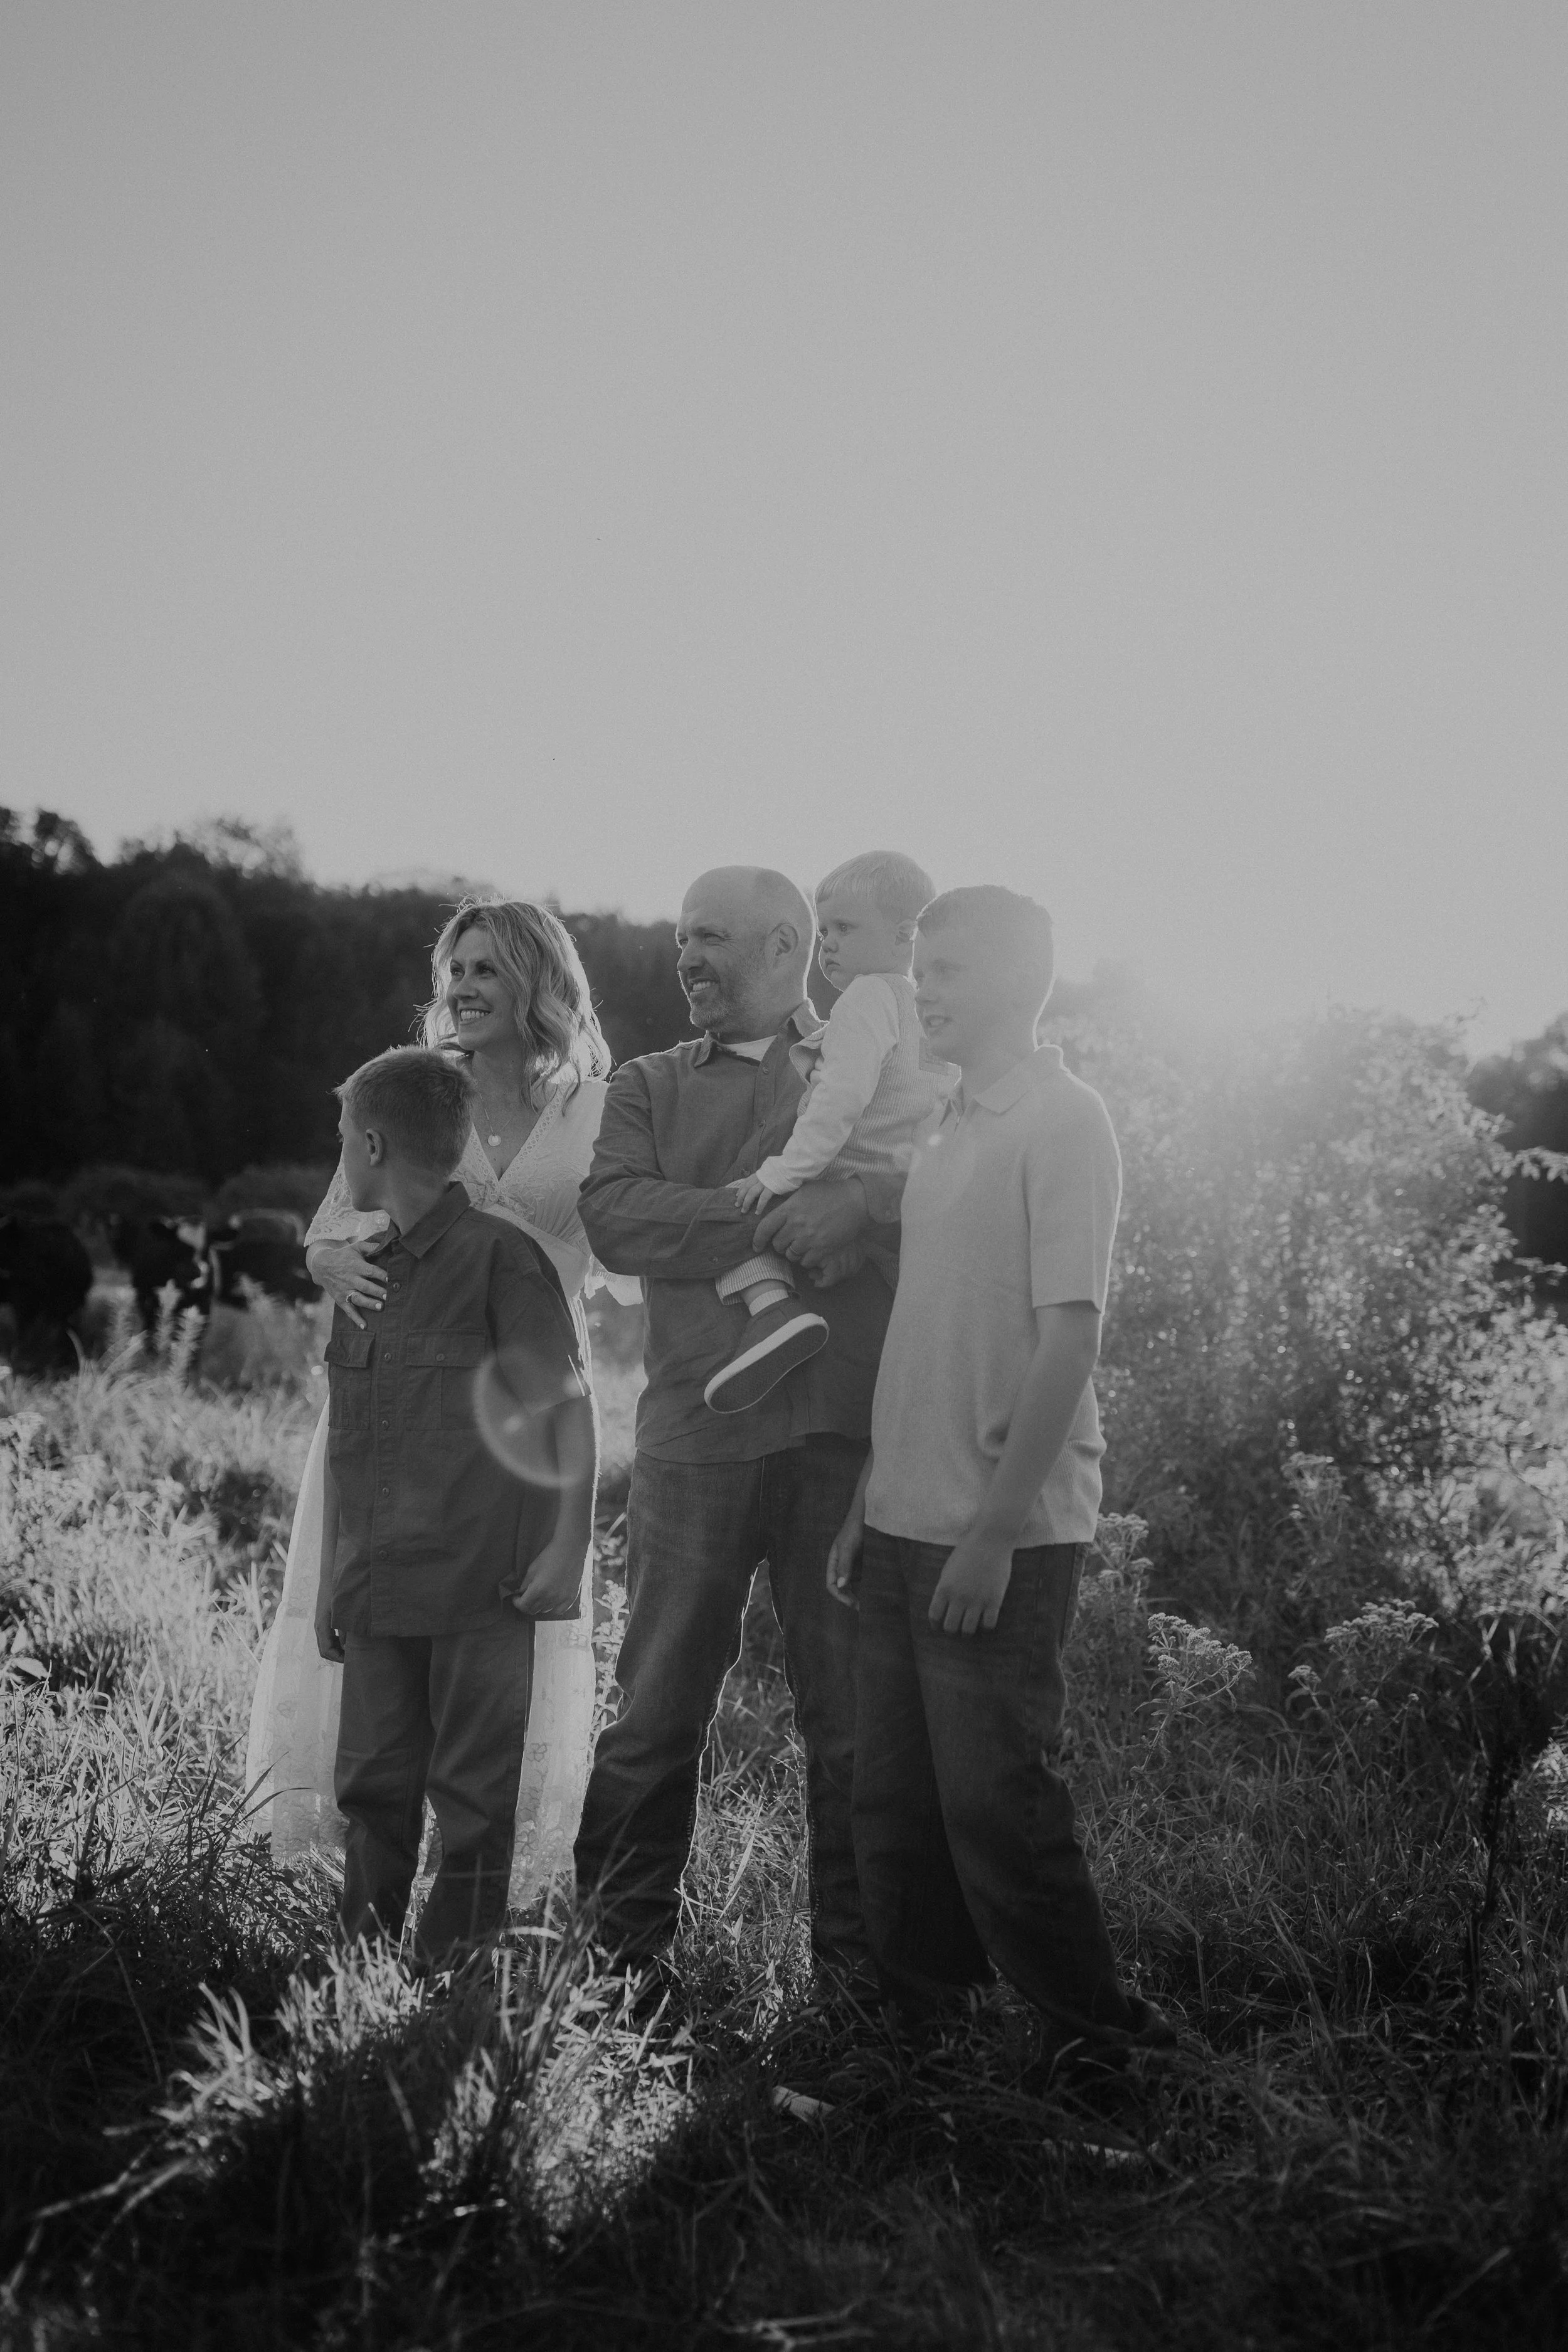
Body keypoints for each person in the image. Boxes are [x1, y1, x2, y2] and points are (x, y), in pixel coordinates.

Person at [825, 886, 1174, 2055]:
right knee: (897, 1803)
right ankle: (923, 2038)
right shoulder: (941, 1121)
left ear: (1020, 984)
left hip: (1002, 1534)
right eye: (919, 967)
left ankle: (1105, 2051)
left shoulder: (1063, 1121)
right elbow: (926, 1327)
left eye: (949, 970)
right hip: (902, 1515)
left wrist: (990, 1528)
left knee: (998, 1806)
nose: (923, 987)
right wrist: (873, 1495)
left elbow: (1069, 1335)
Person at [246, 898, 631, 1909]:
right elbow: (335, 1224)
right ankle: (363, 1918)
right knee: (382, 1649)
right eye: (453, 968)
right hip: (400, 1381)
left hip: (527, 1393)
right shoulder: (416, 1094)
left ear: (540, 983)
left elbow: (631, 1241)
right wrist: (332, 1261)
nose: (460, 986)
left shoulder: (594, 1105)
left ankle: (467, 1925)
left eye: (487, 969)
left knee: (489, 1656)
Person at [573, 864, 903, 1991]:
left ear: (785, 948)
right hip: (693, 1442)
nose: (688, 960)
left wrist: (864, 1202)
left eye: (711, 938)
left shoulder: (874, 1055)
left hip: (839, 1442)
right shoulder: (650, 1084)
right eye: (681, 941)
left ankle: (861, 1998)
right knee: (654, 1714)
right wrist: (763, 1210)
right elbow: (614, 1218)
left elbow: (943, 1179)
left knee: (854, 1729)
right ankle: (619, 1977)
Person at [314, 1046, 594, 1960]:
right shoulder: (364, 1275)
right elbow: (351, 1450)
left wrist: (568, 1548)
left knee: (472, 1800)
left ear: (373, 1140)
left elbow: (567, 1406)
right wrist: (329, 1580)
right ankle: (357, 1969)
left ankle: (447, 1981)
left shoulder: (501, 1260)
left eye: (343, 1140)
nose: (342, 1158)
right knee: (370, 1788)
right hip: (375, 1586)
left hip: (482, 1586)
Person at [705, 850, 948, 1414]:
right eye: (825, 928)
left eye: (844, 928)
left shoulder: (867, 997)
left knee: (738, 1205)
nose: (829, 943)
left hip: (845, 1161)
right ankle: (845, 1258)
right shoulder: (927, 1011)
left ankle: (772, 1313)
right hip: (897, 1185)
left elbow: (841, 1099)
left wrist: (786, 1170)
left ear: (906, 934)